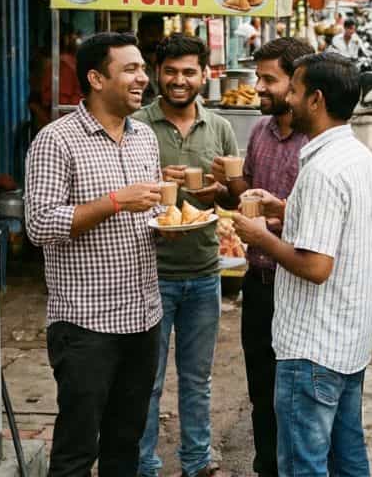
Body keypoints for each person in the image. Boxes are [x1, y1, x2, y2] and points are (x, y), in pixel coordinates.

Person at [231, 53, 372, 477]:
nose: (288, 100)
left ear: (315, 99)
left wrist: (261, 236)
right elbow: (341, 228)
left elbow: (316, 266)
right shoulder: (358, 156)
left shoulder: (322, 171)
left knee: (303, 465)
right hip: (346, 343)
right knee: (348, 458)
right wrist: (285, 209)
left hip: (312, 348)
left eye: (294, 91)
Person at [25, 32, 165, 477]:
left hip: (143, 318)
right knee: (76, 451)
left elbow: (155, 213)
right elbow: (40, 225)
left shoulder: (144, 137)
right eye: (130, 69)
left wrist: (173, 225)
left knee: (126, 444)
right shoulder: (56, 140)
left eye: (142, 68)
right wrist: (115, 201)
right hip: (86, 324)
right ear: (95, 78)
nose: (143, 77)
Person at [133, 34, 239, 477]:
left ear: (205, 75)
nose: (179, 80)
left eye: (189, 72)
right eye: (171, 71)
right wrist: (157, 179)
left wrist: (221, 187)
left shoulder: (219, 128)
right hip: (148, 272)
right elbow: (122, 189)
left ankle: (197, 460)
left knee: (197, 379)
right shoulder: (137, 124)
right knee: (148, 382)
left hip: (204, 271)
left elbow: (236, 190)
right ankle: (144, 463)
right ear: (159, 73)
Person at [211, 37, 315, 477]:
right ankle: (266, 468)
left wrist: (270, 225)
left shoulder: (316, 143)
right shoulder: (258, 132)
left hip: (299, 283)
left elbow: (321, 228)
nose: (259, 87)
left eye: (269, 79)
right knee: (262, 390)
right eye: (258, 77)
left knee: (301, 396)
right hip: (258, 283)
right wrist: (224, 186)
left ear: (298, 84)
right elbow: (244, 201)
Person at [42, 29, 83, 112]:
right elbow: (63, 102)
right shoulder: (64, 65)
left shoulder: (72, 62)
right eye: (75, 37)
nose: (79, 41)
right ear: (66, 40)